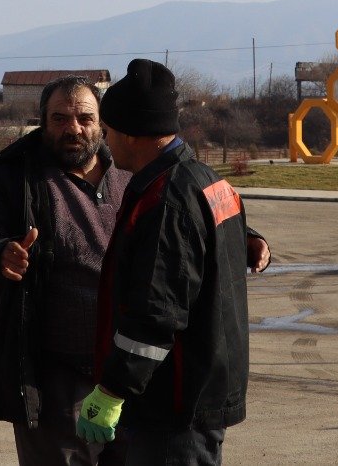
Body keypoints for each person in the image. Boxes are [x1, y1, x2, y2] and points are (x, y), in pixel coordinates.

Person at [0, 74, 268, 466]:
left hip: (137, 374)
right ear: (42, 121)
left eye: (85, 118)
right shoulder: (13, 176)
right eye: (60, 119)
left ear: (104, 122)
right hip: (59, 378)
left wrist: (246, 238)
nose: (74, 129)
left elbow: (180, 222)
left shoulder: (134, 164)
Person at [75, 59, 253, 465]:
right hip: (196, 394)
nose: (105, 140)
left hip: (170, 407)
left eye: (109, 130)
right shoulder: (205, 180)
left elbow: (156, 314)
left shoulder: (165, 200)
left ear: (133, 134)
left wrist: (113, 390)